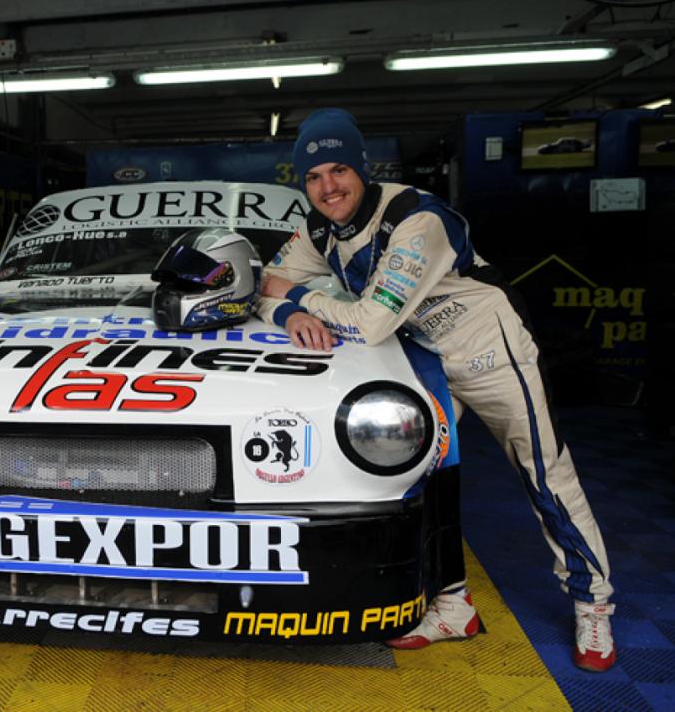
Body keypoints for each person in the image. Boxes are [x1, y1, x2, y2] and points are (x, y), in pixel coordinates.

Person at [256, 108, 616, 672]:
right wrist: (285, 311)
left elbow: (372, 321)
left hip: (489, 347)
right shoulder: (319, 227)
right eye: (313, 177)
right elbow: (266, 285)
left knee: (544, 472)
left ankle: (593, 603)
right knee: (427, 476)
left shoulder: (415, 218)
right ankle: (453, 605)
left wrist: (301, 302)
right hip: (423, 355)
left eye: (338, 171)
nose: (327, 187)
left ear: (362, 169)